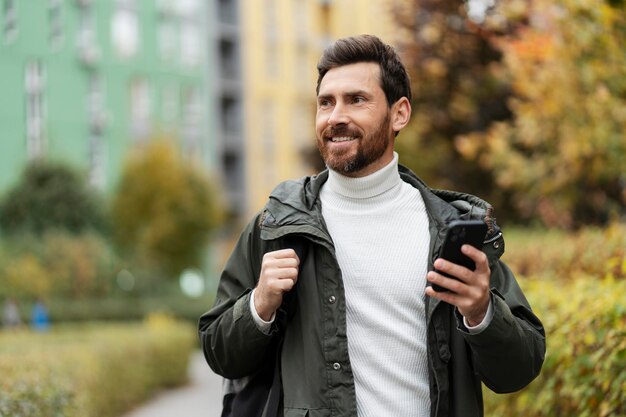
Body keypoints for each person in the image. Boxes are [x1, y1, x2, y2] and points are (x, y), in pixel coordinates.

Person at [199, 34, 545, 417]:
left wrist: (482, 313)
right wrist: (259, 305)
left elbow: (520, 368)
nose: (336, 117)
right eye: (326, 102)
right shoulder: (278, 226)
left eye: (356, 100)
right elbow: (219, 353)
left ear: (400, 113)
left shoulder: (450, 229)